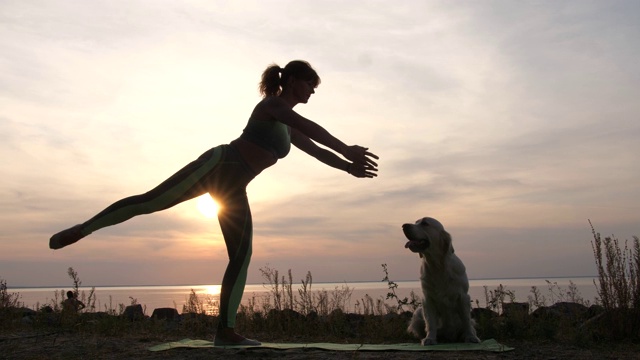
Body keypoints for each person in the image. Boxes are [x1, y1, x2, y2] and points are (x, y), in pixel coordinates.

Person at [49, 60, 378, 345]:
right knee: (151, 201)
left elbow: (317, 149)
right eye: (310, 84)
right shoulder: (272, 105)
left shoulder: (287, 125)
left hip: (234, 190)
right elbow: (311, 127)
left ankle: (226, 331)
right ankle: (83, 229)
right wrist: (347, 147)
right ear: (292, 81)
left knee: (242, 255)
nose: (313, 91)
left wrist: (348, 166)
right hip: (218, 165)